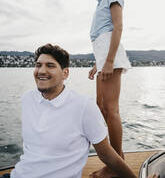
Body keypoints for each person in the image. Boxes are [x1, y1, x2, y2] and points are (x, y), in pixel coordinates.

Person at [8, 43, 136, 178]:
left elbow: (107, 155)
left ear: (65, 73)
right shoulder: (27, 99)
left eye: (50, 66)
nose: (41, 71)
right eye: (38, 65)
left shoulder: (84, 107)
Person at [88, 0, 131, 176]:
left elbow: (118, 26)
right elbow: (101, 37)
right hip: (103, 55)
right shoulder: (100, 0)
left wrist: (109, 61)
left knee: (111, 111)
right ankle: (115, 159)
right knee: (101, 108)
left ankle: (116, 163)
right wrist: (98, 63)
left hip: (110, 57)